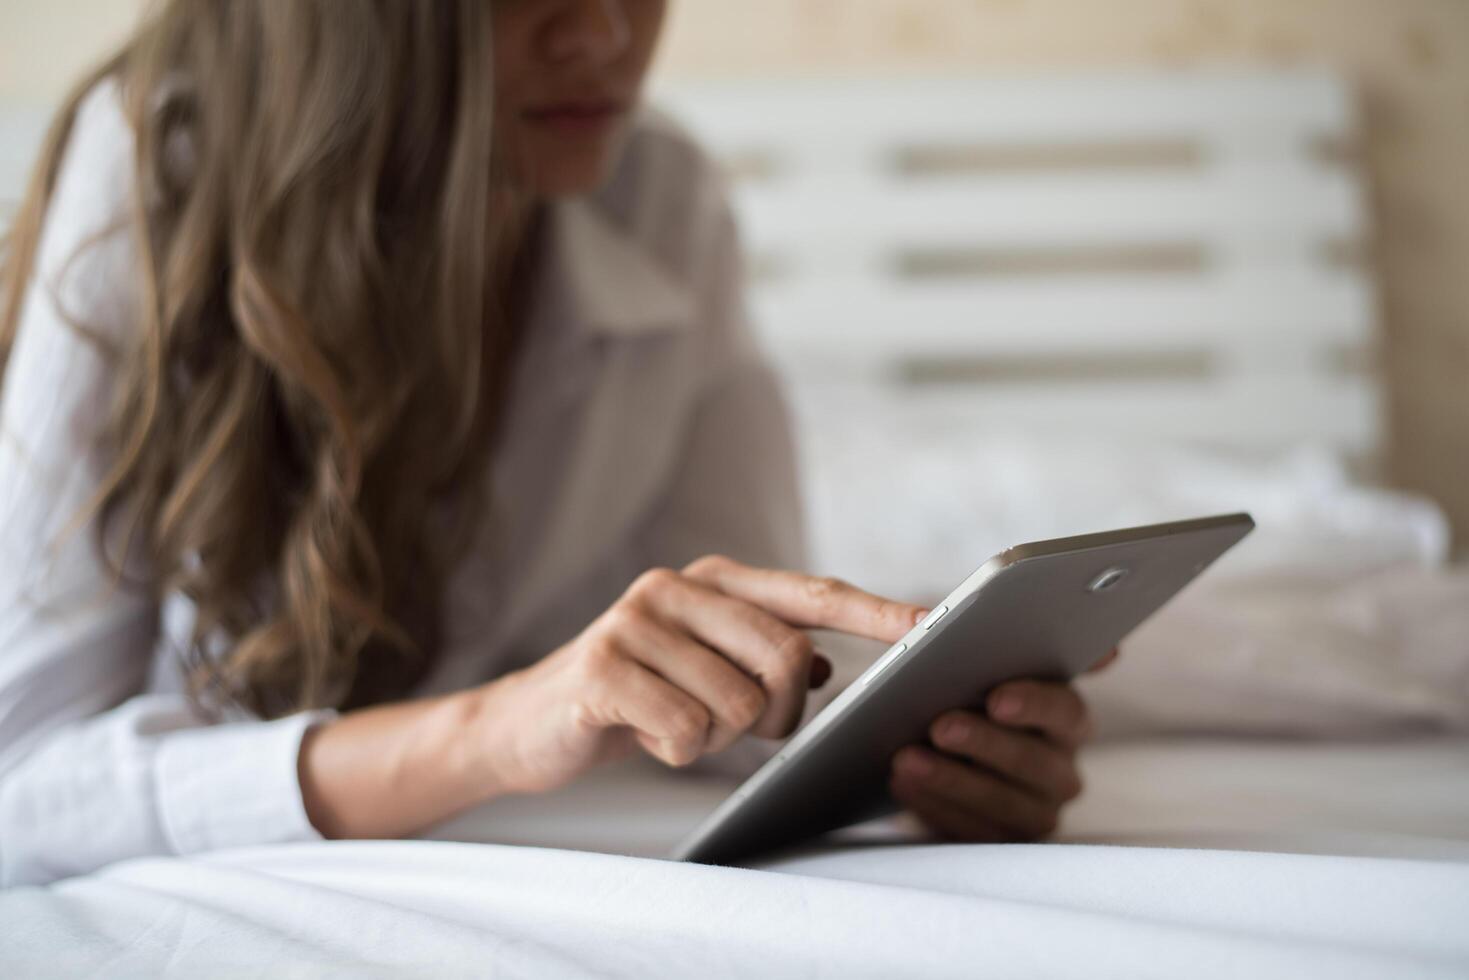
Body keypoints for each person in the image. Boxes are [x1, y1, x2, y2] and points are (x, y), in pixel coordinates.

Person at [0, 0, 1095, 888]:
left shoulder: (662, 193)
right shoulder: (154, 173)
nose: (603, 38)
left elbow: (743, 663)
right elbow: (19, 782)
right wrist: (496, 728)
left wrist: (915, 746)